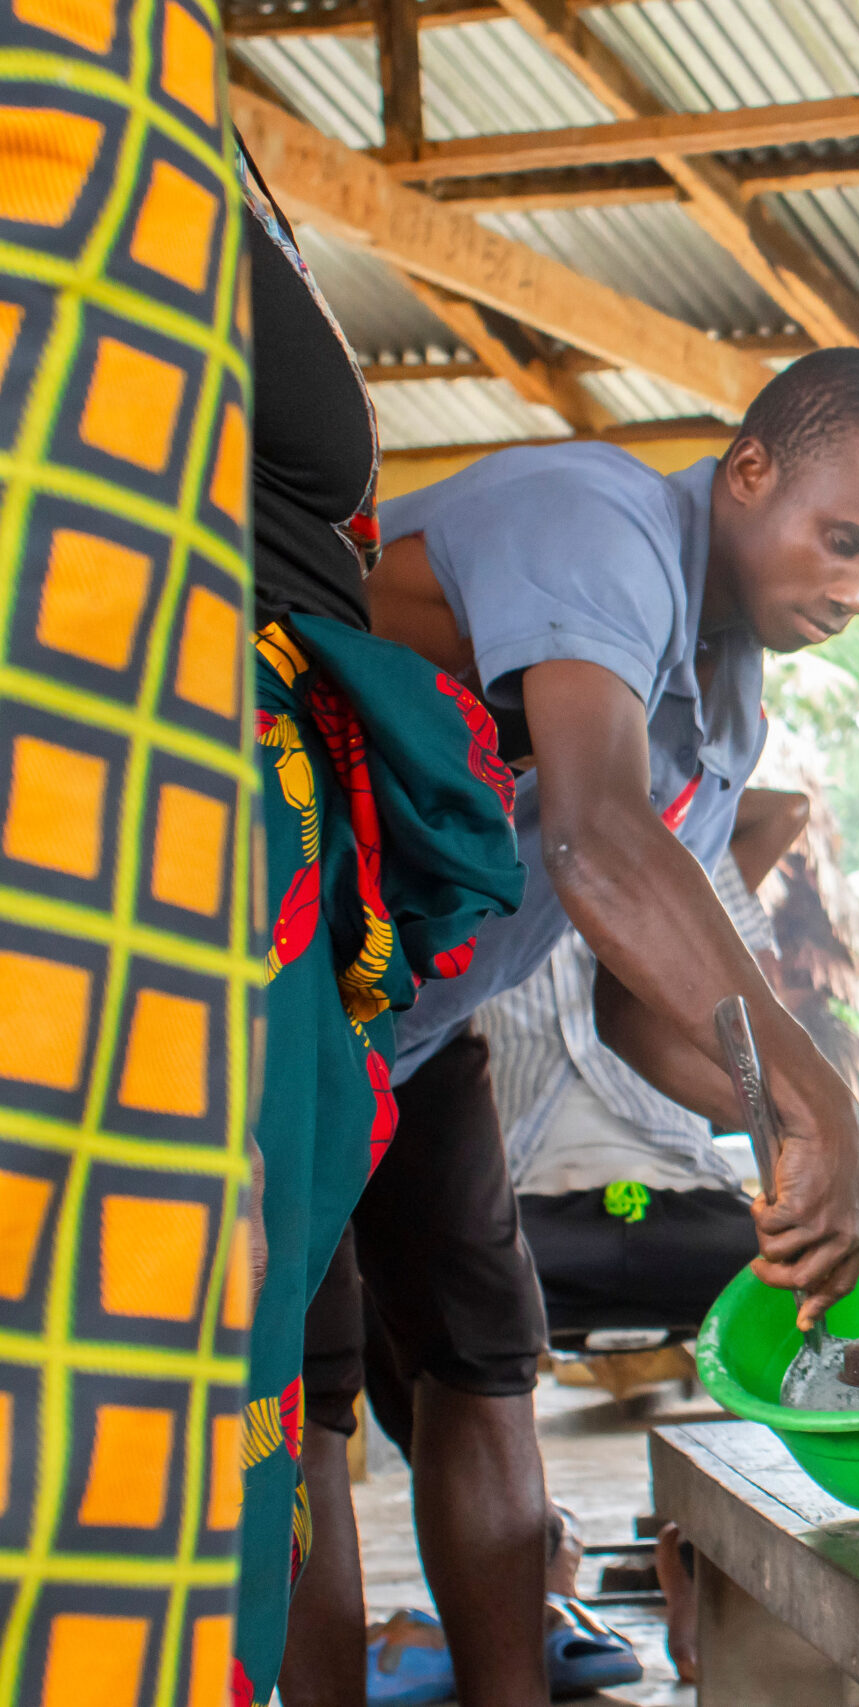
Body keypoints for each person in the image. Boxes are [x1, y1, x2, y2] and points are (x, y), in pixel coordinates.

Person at [284, 349, 859, 1707]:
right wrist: (813, 1100)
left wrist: (837, 1120)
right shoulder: (596, 520)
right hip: (288, 1008)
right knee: (304, 1405)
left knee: (485, 1362)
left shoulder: (723, 711)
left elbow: (636, 1008)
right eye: (844, 542)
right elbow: (595, 842)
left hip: (418, 1041)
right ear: (752, 469)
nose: (854, 591)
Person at [227, 135, 525, 1705]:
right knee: (212, 1360)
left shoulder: (177, 123)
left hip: (276, 874)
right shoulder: (64, 106)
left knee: (259, 1362)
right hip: (174, 858)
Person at [494, 793, 816, 1341]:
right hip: (527, 1212)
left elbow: (755, 1021)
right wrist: (545, 801)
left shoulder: (691, 857)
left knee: (830, 1278)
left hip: (691, 1206)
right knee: (426, 1292)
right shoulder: (468, 865)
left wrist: (638, 803)